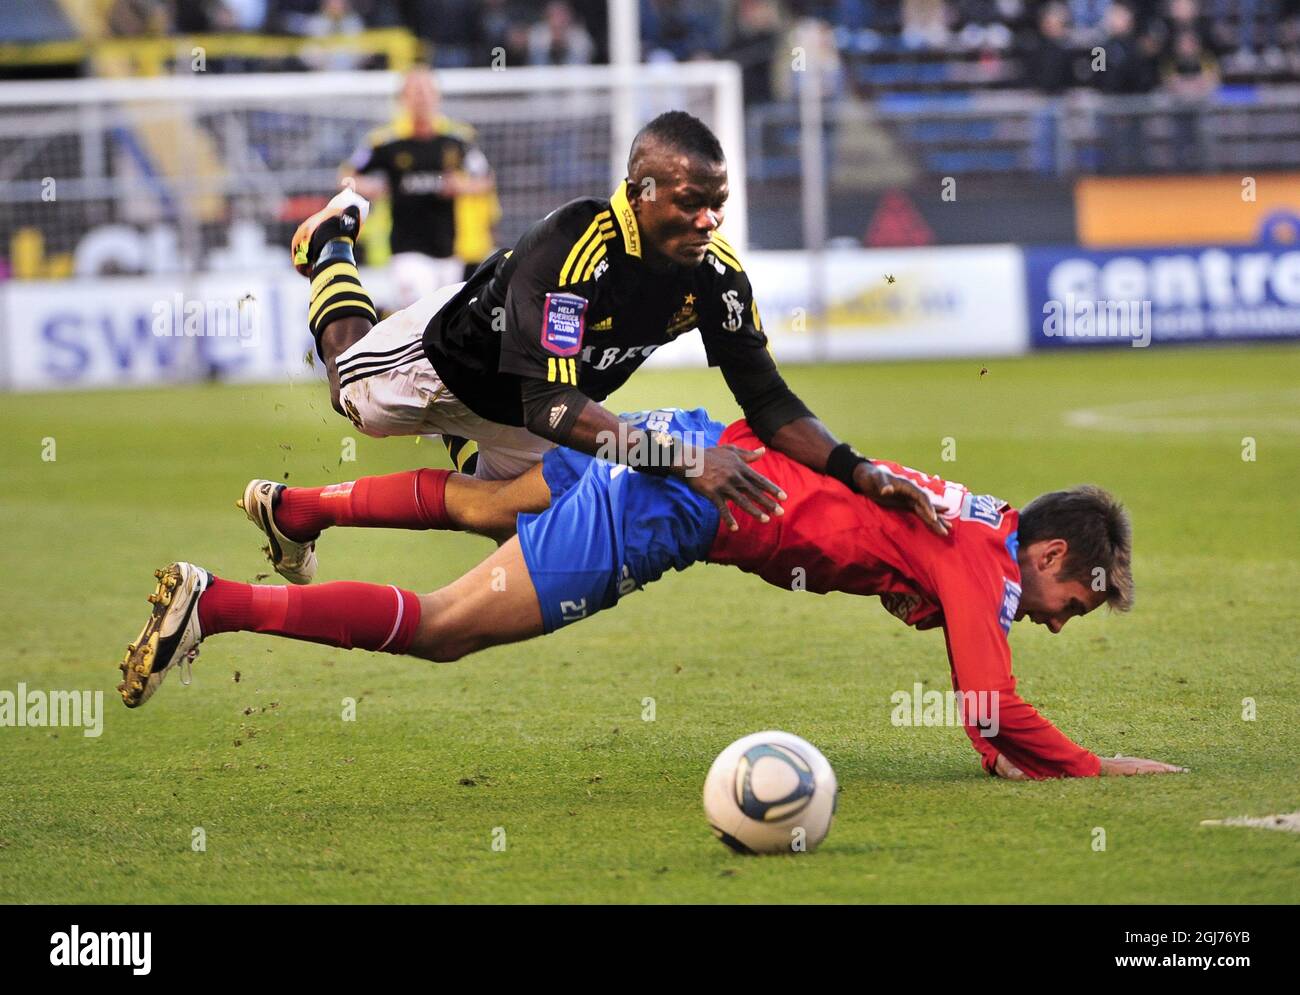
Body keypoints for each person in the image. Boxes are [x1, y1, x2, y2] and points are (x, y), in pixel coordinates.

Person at [117, 408, 1185, 781]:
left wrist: (1007, 752)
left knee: (491, 508)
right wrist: (1090, 764)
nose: (1059, 619)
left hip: (684, 433)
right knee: (443, 629)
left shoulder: (981, 519)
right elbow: (987, 711)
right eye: (1074, 602)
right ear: (1051, 557)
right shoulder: (980, 563)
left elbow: (986, 724)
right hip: (679, 504)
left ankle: (299, 506)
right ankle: (218, 604)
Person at [281, 109, 944, 585]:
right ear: (640, 193)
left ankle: (321, 505)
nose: (707, 221)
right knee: (353, 400)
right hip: (446, 364)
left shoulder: (715, 277)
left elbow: (767, 399)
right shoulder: (577, 245)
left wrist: (860, 470)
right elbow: (548, 404)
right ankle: (331, 243)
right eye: (690, 202)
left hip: (528, 402)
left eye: (717, 203)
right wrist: (683, 459)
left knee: (510, 516)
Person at [341, 67, 498, 308]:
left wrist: (461, 185)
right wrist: (371, 187)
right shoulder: (386, 142)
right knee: (421, 310)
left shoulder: (458, 140)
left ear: (437, 97)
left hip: (451, 249)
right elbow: (347, 177)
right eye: (415, 92)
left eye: (426, 91)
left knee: (445, 317)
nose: (421, 98)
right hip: (406, 248)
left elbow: (485, 179)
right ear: (402, 99)